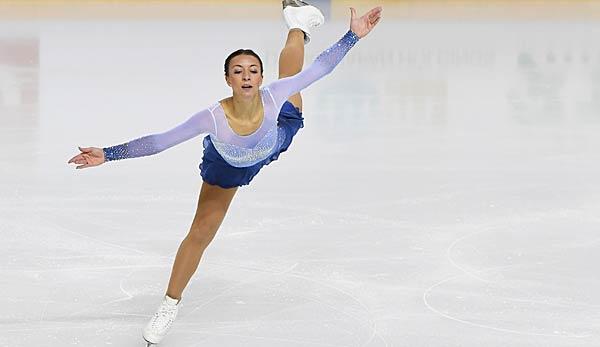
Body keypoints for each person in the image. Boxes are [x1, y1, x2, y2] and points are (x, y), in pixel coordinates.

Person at [67, 1, 382, 345]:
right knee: (201, 231)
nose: (246, 76)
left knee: (293, 81)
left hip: (275, 139)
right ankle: (170, 303)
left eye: (252, 70)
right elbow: (160, 142)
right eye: (238, 71)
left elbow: (321, 68)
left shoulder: (274, 95)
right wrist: (108, 155)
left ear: (260, 78)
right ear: (228, 78)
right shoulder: (213, 117)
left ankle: (298, 25)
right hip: (227, 167)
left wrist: (353, 36)